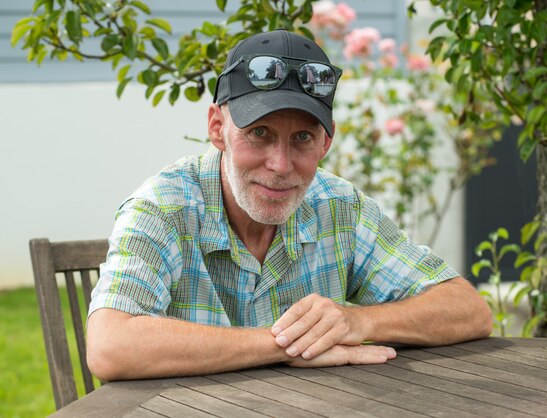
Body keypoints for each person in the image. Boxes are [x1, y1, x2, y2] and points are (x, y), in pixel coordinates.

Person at [86, 29, 492, 381]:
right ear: (217, 128)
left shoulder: (340, 208)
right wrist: (287, 344)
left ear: (326, 143)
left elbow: (468, 310)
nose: (280, 165)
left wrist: (359, 320)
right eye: (259, 133)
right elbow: (110, 344)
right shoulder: (164, 207)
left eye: (302, 138)